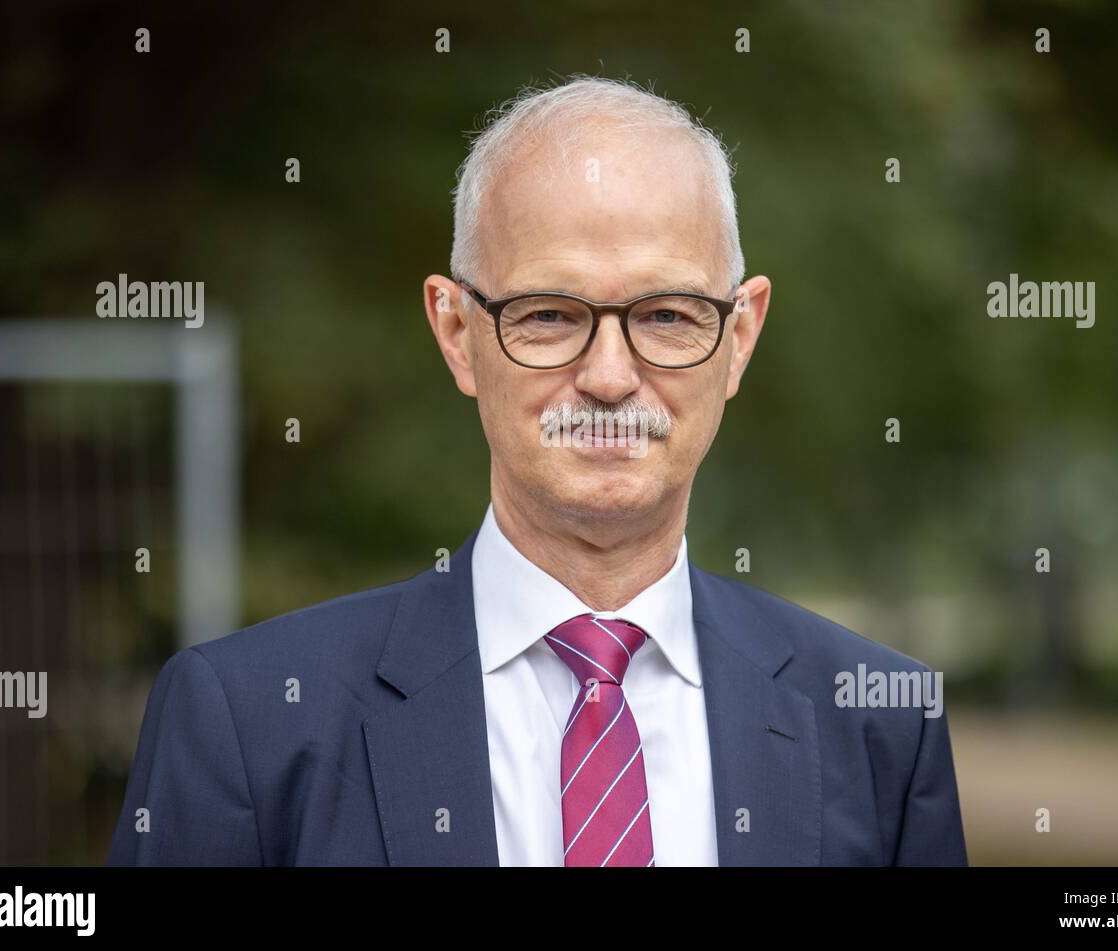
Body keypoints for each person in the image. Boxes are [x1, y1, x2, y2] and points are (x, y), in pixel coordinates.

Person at [108, 75, 967, 866]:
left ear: (739, 337)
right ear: (456, 332)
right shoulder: (249, 722)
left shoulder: (879, 723)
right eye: (550, 314)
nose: (607, 377)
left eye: (666, 314)